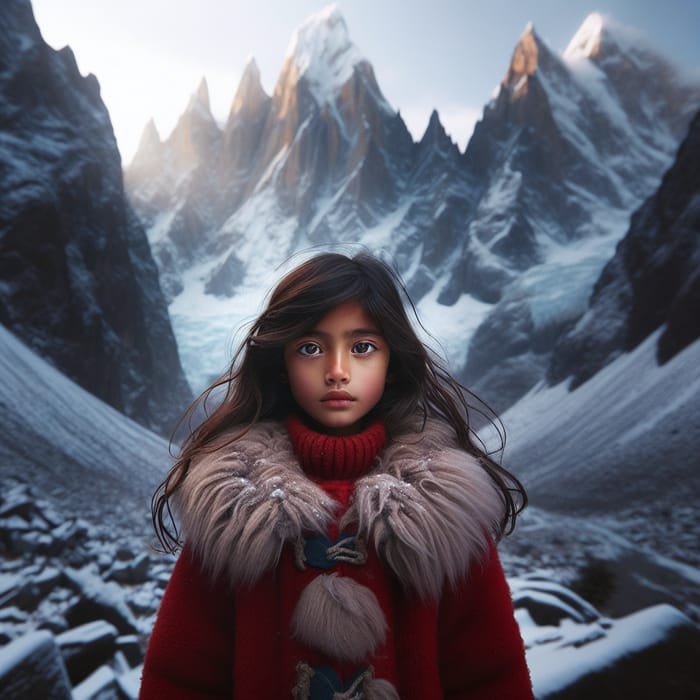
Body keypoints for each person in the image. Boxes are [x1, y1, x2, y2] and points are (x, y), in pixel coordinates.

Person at [139, 252, 534, 699]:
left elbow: (492, 677)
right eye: (310, 348)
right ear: (282, 365)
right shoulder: (231, 513)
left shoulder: (448, 512)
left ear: (391, 363)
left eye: (363, 347)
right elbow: (178, 678)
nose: (337, 371)